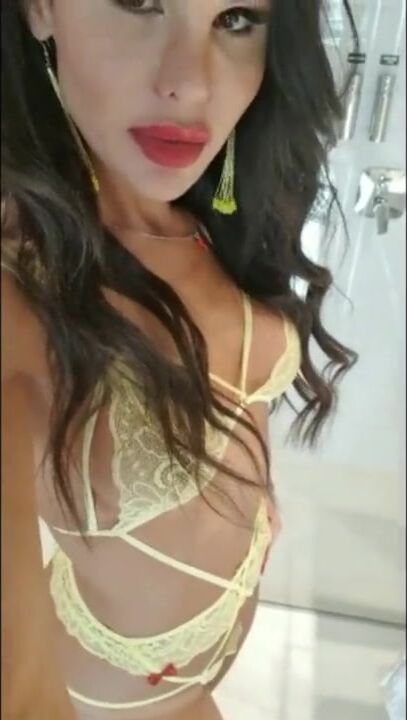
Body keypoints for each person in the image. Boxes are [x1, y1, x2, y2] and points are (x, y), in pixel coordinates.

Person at [1, 1, 357, 719]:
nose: (191, 84)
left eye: (236, 19)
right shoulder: (20, 287)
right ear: (40, 8)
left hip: (198, 691)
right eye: (140, 2)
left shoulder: (204, 215)